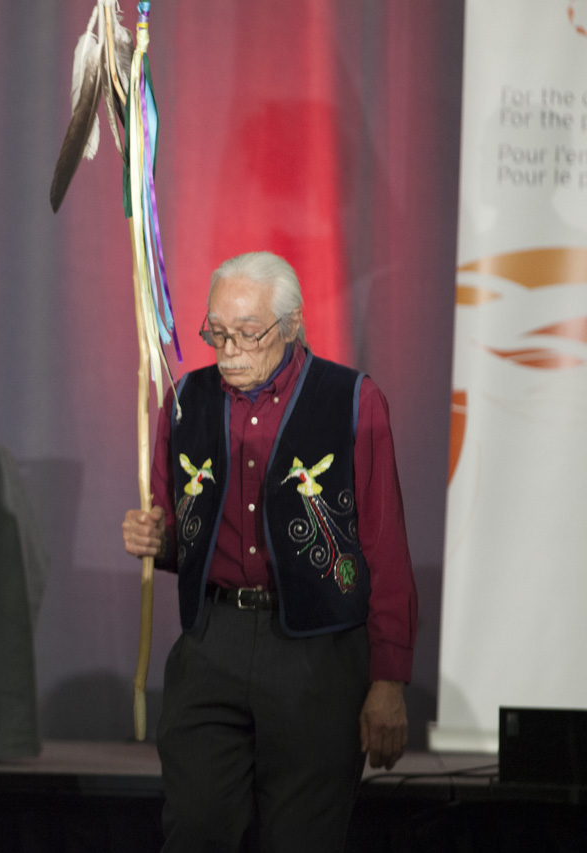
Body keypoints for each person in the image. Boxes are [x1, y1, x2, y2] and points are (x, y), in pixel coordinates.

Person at [121, 251, 417, 852]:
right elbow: (182, 531)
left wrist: (388, 679)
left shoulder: (353, 401)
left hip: (318, 648)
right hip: (213, 640)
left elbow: (385, 548)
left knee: (302, 837)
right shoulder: (183, 401)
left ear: (291, 324)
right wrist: (157, 539)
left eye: (247, 333)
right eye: (216, 331)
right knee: (195, 826)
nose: (228, 348)